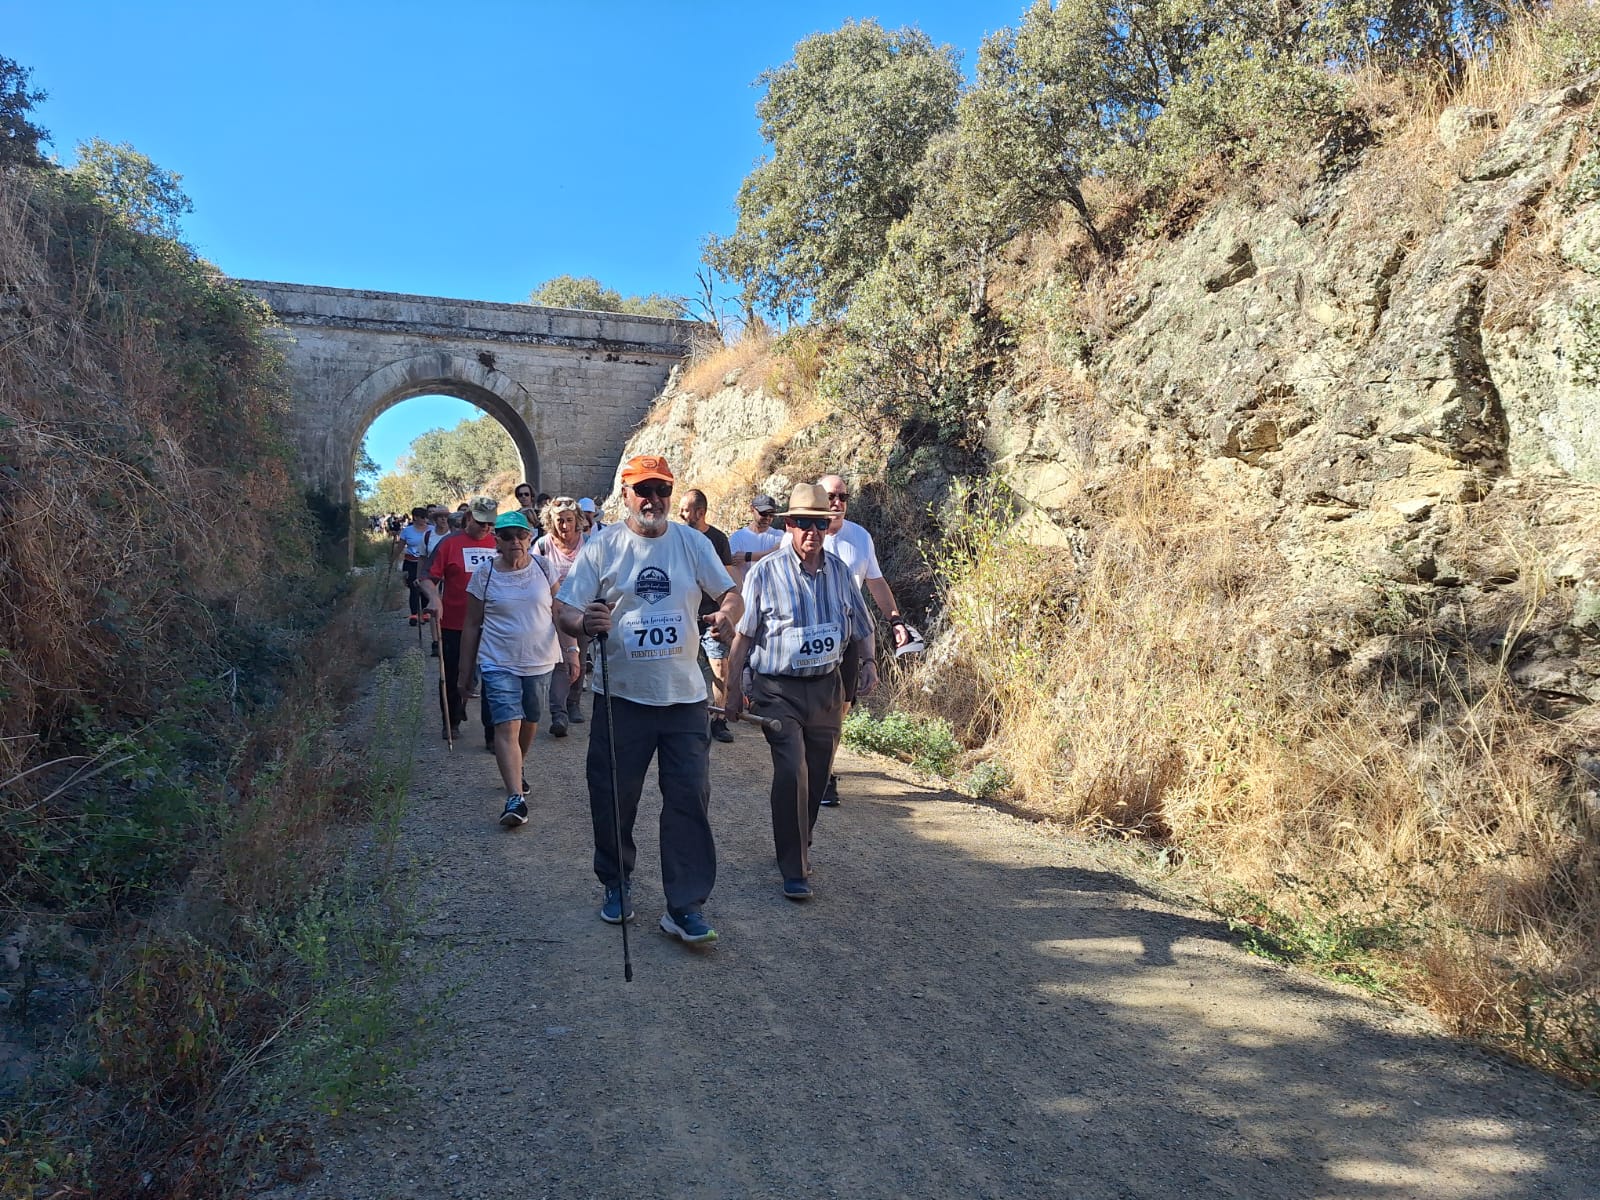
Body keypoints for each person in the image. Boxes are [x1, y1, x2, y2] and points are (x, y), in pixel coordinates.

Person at [555, 454, 741, 945]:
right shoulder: (603, 548)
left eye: (661, 490)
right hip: (622, 698)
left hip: (684, 699)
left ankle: (684, 906)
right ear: (626, 495)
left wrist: (727, 615)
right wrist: (583, 623)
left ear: (671, 494)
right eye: (644, 490)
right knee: (614, 796)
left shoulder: (692, 543)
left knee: (689, 799)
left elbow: (730, 593)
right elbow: (565, 609)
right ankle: (616, 883)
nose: (653, 499)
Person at [725, 483, 876, 899]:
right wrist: (732, 691)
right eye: (803, 523)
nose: (812, 531)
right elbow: (743, 637)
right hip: (778, 691)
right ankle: (795, 868)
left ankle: (797, 842)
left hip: (827, 688)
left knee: (817, 775)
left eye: (819, 524)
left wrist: (868, 662)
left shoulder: (841, 572)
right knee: (792, 771)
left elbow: (864, 626)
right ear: (788, 525)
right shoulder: (765, 572)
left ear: (829, 527)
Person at [460, 510, 579, 828]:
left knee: (531, 720)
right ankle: (515, 798)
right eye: (507, 536)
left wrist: (571, 650)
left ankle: (517, 766)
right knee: (506, 725)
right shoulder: (484, 574)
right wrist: (465, 672)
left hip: (540, 661)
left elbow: (559, 611)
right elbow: (471, 625)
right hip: (498, 661)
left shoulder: (543, 566)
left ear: (530, 537)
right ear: (496, 540)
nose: (515, 541)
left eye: (521, 535)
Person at [811, 474, 909, 807]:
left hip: (849, 636)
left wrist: (894, 619)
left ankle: (823, 768)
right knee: (813, 705)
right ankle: (817, 770)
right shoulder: (801, 535)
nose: (837, 502)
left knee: (841, 708)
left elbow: (876, 584)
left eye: (842, 497)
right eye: (830, 496)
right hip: (810, 635)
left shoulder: (860, 537)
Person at [421, 495, 499, 745]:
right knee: (455, 674)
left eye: (490, 523)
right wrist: (434, 598)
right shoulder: (449, 544)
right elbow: (426, 577)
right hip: (455, 622)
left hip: (494, 624)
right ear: (468, 518)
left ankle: (492, 735)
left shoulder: (498, 543)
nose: (486, 528)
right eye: (480, 522)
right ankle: (452, 718)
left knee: (493, 678)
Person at [677, 488, 738, 743]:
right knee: (682, 666)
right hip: (685, 615)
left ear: (700, 512)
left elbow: (728, 578)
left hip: (712, 616)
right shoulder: (676, 539)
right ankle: (683, 716)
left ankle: (719, 719)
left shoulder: (718, 539)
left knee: (719, 669)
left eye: (685, 509)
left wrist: (730, 610)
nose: (680, 514)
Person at [534, 496, 589, 736]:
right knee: (558, 661)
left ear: (578, 520)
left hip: (580, 610)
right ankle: (559, 714)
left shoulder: (588, 544)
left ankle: (573, 702)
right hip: (550, 611)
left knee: (580, 655)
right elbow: (532, 572)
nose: (564, 526)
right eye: (559, 521)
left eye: (568, 520)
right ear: (550, 521)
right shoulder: (543, 546)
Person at [728, 493, 784, 585]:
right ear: (752, 509)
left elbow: (777, 555)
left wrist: (748, 556)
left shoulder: (778, 535)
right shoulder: (737, 538)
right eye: (764, 513)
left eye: (771, 514)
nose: (768, 518)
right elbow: (732, 568)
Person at [398, 506, 432, 626]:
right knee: (413, 587)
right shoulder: (407, 531)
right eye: (422, 517)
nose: (425, 520)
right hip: (411, 562)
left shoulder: (431, 530)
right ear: (416, 517)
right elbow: (401, 546)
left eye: (426, 517)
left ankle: (425, 611)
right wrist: (392, 560)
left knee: (425, 586)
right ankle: (413, 614)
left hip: (426, 563)